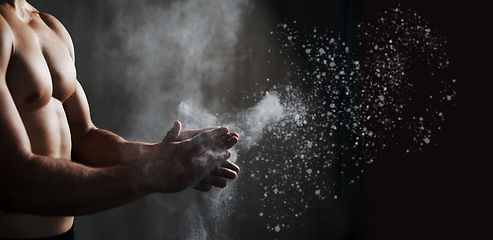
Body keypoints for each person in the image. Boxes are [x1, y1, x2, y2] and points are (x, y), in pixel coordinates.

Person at [0, 0, 240, 239]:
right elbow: (16, 182)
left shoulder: (48, 24)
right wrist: (153, 174)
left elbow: (84, 136)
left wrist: (160, 155)